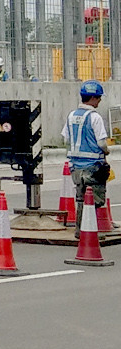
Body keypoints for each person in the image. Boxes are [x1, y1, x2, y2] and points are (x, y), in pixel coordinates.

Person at [64, 80, 110, 234]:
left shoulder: (71, 116)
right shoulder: (95, 117)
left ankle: (80, 231)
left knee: (81, 199)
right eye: (99, 97)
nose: (100, 100)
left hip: (75, 167)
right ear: (93, 98)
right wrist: (107, 151)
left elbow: (66, 138)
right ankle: (88, 233)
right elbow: (101, 143)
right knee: (94, 200)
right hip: (93, 166)